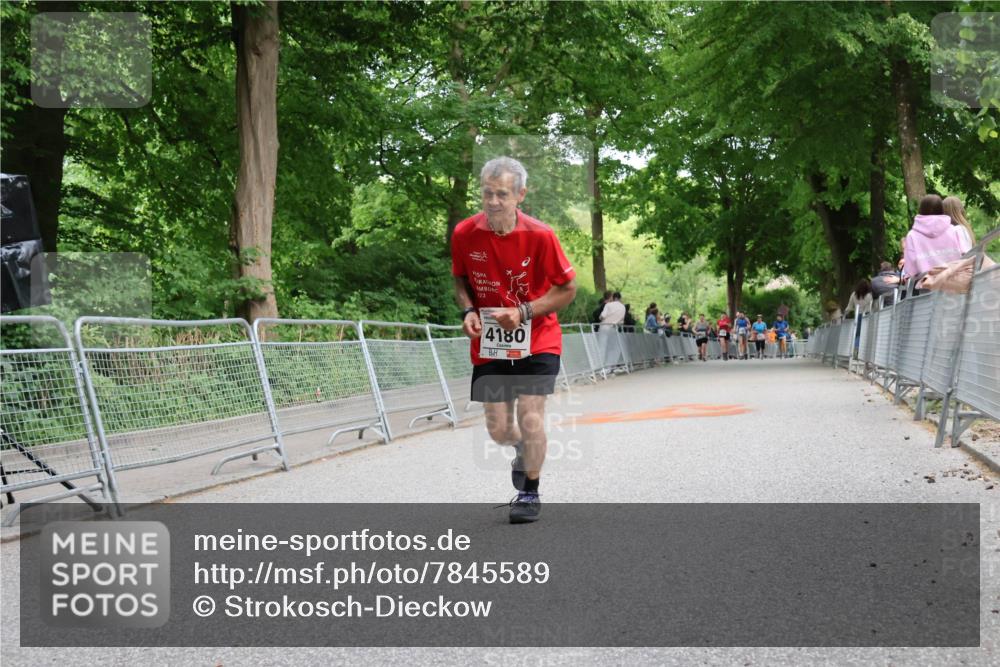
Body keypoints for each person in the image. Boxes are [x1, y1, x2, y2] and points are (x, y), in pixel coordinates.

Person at [452, 156, 577, 524]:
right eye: (487, 193)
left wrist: (523, 312)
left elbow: (568, 289)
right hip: (490, 343)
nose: (493, 202)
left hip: (537, 337)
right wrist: (468, 311)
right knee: (500, 429)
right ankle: (523, 448)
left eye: (502, 194)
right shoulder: (464, 233)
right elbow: (460, 280)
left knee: (531, 417)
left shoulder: (540, 235)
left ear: (521, 194)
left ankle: (529, 491)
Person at [901, 194, 972, 280]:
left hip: (927, 287)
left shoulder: (912, 236)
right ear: (942, 210)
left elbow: (910, 270)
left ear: (921, 210)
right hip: (954, 283)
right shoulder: (954, 231)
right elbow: (966, 257)